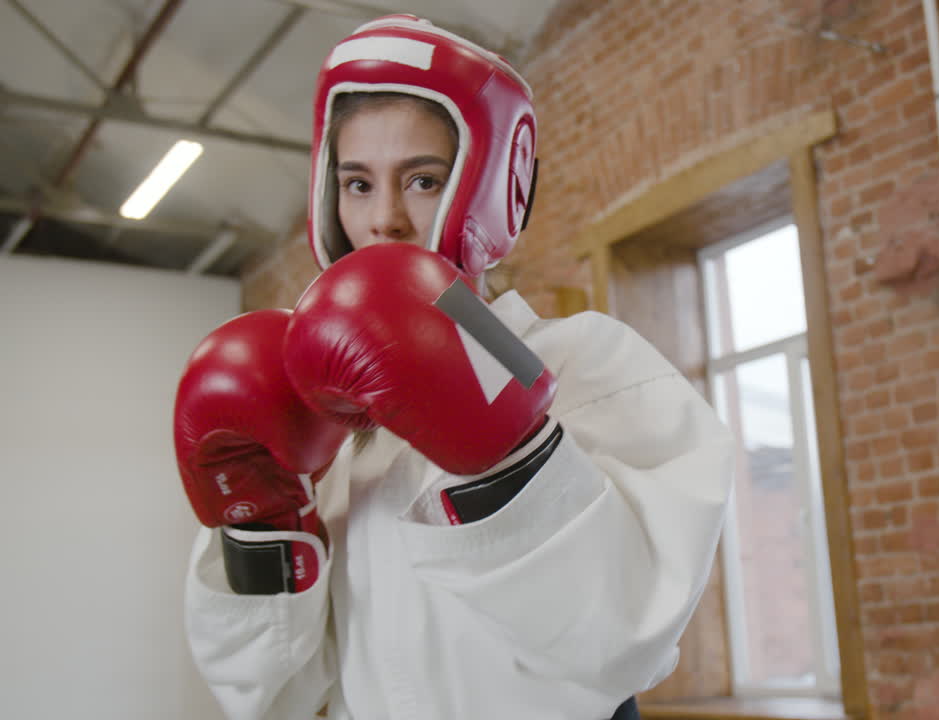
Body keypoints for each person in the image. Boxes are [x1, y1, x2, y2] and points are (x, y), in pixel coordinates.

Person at [173, 14, 733, 720]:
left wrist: (503, 443)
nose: (385, 220)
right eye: (357, 184)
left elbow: (627, 641)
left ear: (496, 188)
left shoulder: (590, 362)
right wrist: (260, 520)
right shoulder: (318, 413)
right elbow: (265, 691)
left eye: (423, 179)